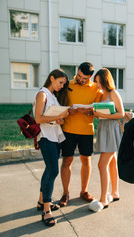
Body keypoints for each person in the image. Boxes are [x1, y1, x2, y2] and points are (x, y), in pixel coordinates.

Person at [58, 62, 102, 207]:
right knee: (67, 161)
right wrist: (67, 110)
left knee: (86, 161)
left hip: (86, 130)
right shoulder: (67, 84)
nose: (81, 80)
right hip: (68, 129)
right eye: (80, 76)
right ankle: (66, 193)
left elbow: (97, 112)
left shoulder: (96, 89)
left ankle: (84, 191)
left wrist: (89, 111)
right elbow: (59, 104)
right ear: (77, 71)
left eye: (85, 78)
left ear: (90, 77)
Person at [34, 69, 70, 227]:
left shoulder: (53, 96)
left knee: (49, 170)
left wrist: (59, 121)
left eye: (63, 84)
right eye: (60, 82)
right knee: (53, 170)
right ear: (52, 78)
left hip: (54, 136)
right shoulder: (42, 94)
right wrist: (59, 116)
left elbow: (51, 118)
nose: (62, 86)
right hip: (45, 137)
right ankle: (46, 211)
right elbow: (38, 118)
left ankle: (42, 202)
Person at [88, 68, 124, 212]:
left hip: (112, 129)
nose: (96, 84)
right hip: (104, 128)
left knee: (102, 164)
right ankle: (114, 192)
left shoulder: (114, 93)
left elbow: (121, 113)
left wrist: (104, 116)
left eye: (97, 81)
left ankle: (103, 199)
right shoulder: (101, 95)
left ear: (104, 80)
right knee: (112, 162)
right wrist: (97, 115)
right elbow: (102, 113)